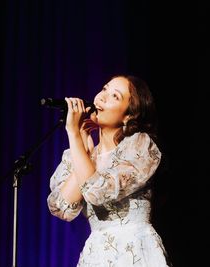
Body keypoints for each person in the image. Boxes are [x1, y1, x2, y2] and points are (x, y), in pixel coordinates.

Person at [47, 74, 172, 266]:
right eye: (104, 89)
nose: (102, 97)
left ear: (129, 115)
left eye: (115, 96)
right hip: (96, 254)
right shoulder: (83, 154)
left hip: (133, 251)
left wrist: (73, 134)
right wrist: (82, 147)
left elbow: (99, 192)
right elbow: (62, 207)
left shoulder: (140, 147)